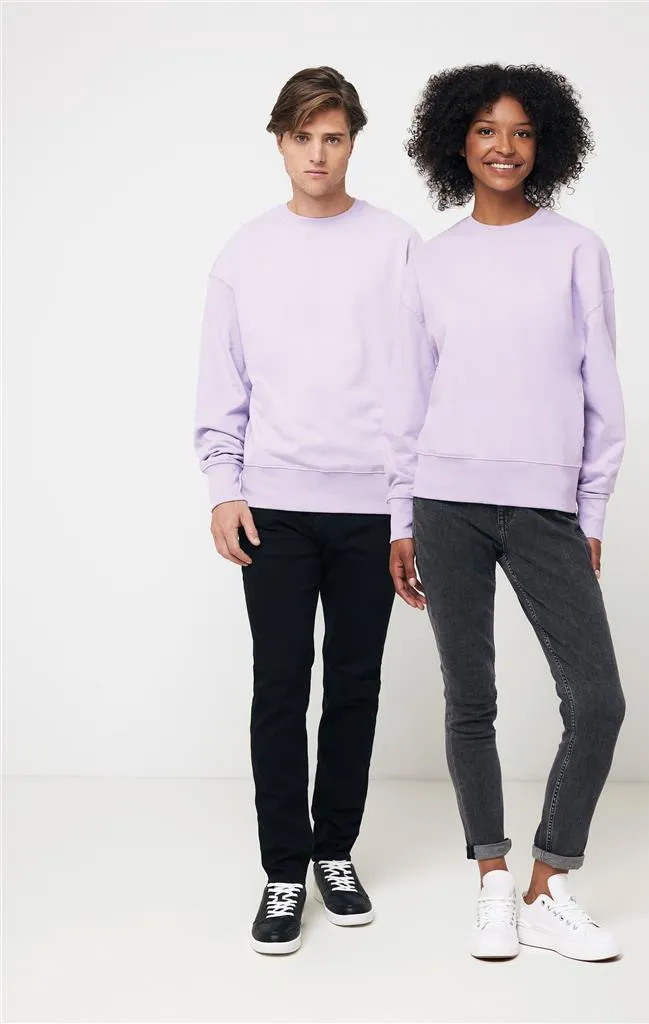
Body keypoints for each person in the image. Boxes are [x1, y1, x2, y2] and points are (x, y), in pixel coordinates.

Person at [383, 63, 626, 962]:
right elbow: (406, 399)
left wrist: (588, 509)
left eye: (521, 131)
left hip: (543, 504)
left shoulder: (576, 250)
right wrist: (399, 518)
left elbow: (603, 392)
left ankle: (547, 884)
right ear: (456, 141)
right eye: (486, 129)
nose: (504, 146)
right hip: (445, 502)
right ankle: (491, 880)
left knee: (596, 701)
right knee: (469, 699)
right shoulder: (430, 260)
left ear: (544, 144)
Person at [195, 66, 417, 955]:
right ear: (280, 142)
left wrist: (407, 511)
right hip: (275, 510)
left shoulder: (397, 246)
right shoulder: (244, 253)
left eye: (333, 137)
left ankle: (335, 852)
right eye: (302, 137)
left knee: (355, 687)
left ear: (353, 142)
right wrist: (224, 487)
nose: (317, 154)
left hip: (370, 510)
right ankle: (284, 868)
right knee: (280, 688)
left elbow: (420, 385)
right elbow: (223, 383)